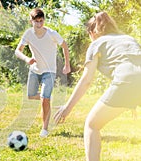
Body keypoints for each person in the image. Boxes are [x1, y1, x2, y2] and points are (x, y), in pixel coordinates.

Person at [54, 11, 141, 161]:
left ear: (93, 32)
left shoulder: (96, 44)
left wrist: (66, 108)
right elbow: (134, 67)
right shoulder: (129, 39)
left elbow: (87, 80)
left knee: (92, 125)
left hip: (125, 82)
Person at [15, 8, 71, 137]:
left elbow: (65, 46)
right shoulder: (28, 34)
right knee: (31, 95)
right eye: (36, 22)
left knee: (44, 99)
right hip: (35, 70)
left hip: (49, 71)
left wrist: (67, 64)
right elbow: (18, 51)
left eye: (41, 21)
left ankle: (44, 129)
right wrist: (27, 59)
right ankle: (47, 97)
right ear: (31, 21)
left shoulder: (51, 33)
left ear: (44, 20)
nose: (39, 24)